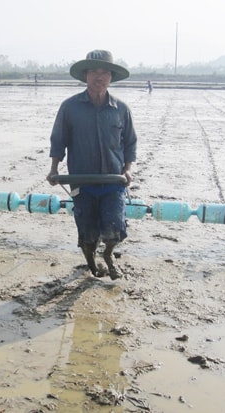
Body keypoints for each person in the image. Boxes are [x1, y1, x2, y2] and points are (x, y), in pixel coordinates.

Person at [47, 50, 138, 280]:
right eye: (94, 71)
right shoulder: (69, 107)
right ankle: (91, 261)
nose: (100, 76)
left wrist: (128, 170)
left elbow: (130, 143)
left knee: (113, 229)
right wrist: (54, 169)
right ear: (85, 75)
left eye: (105, 72)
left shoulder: (121, 110)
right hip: (82, 181)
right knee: (87, 233)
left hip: (113, 182)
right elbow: (59, 140)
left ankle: (108, 254)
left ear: (111, 77)